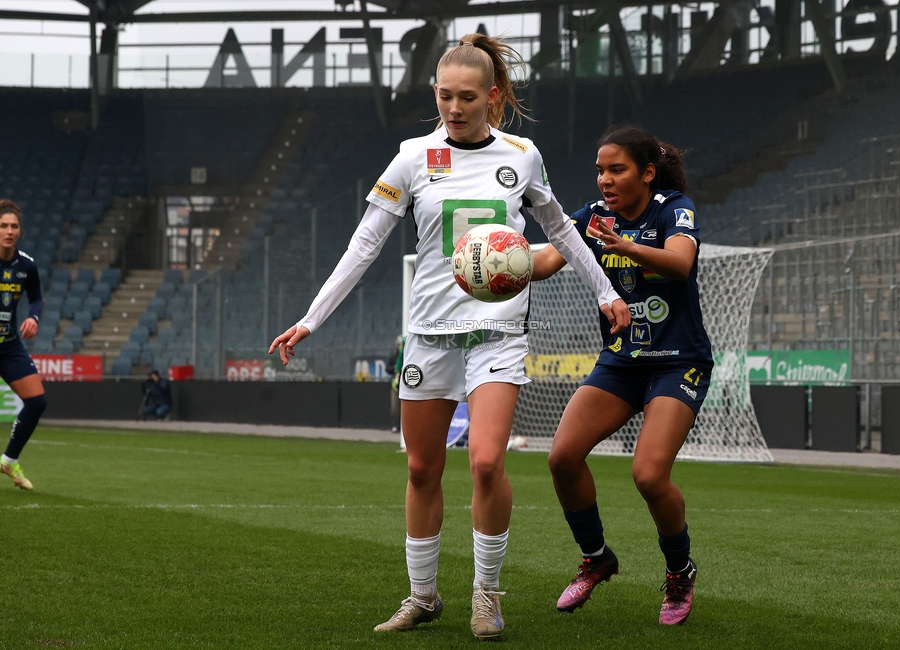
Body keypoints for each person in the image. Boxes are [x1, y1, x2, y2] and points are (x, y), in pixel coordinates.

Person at [269, 34, 629, 640]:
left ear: (492, 96)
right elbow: (364, 246)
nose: (454, 108)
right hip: (430, 334)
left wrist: (606, 292)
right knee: (421, 470)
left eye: (467, 97)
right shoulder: (412, 157)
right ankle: (423, 596)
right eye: (444, 96)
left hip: (498, 331)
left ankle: (486, 595)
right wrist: (312, 317)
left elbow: (562, 232)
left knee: (487, 461)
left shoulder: (523, 155)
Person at [531, 126, 712, 626]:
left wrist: (624, 247)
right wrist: (494, 258)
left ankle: (679, 572)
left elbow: (680, 262)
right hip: (621, 361)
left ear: (647, 173)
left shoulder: (673, 207)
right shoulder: (592, 216)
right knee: (563, 458)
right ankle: (597, 558)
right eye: (600, 170)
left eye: (617, 170)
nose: (604, 179)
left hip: (679, 361)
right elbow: (547, 259)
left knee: (649, 475)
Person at [0, 199, 47, 491]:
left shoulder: (26, 265)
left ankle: (8, 460)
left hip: (8, 346)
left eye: (13, 226)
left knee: (37, 402)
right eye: (3, 225)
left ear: (20, 231)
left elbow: (37, 297)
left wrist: (34, 317)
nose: (8, 231)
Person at [388, 334, 404, 433]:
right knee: (395, 408)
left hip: (407, 384)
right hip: (396, 385)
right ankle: (396, 425)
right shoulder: (394, 357)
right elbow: (388, 368)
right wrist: (395, 368)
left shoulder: (410, 356)